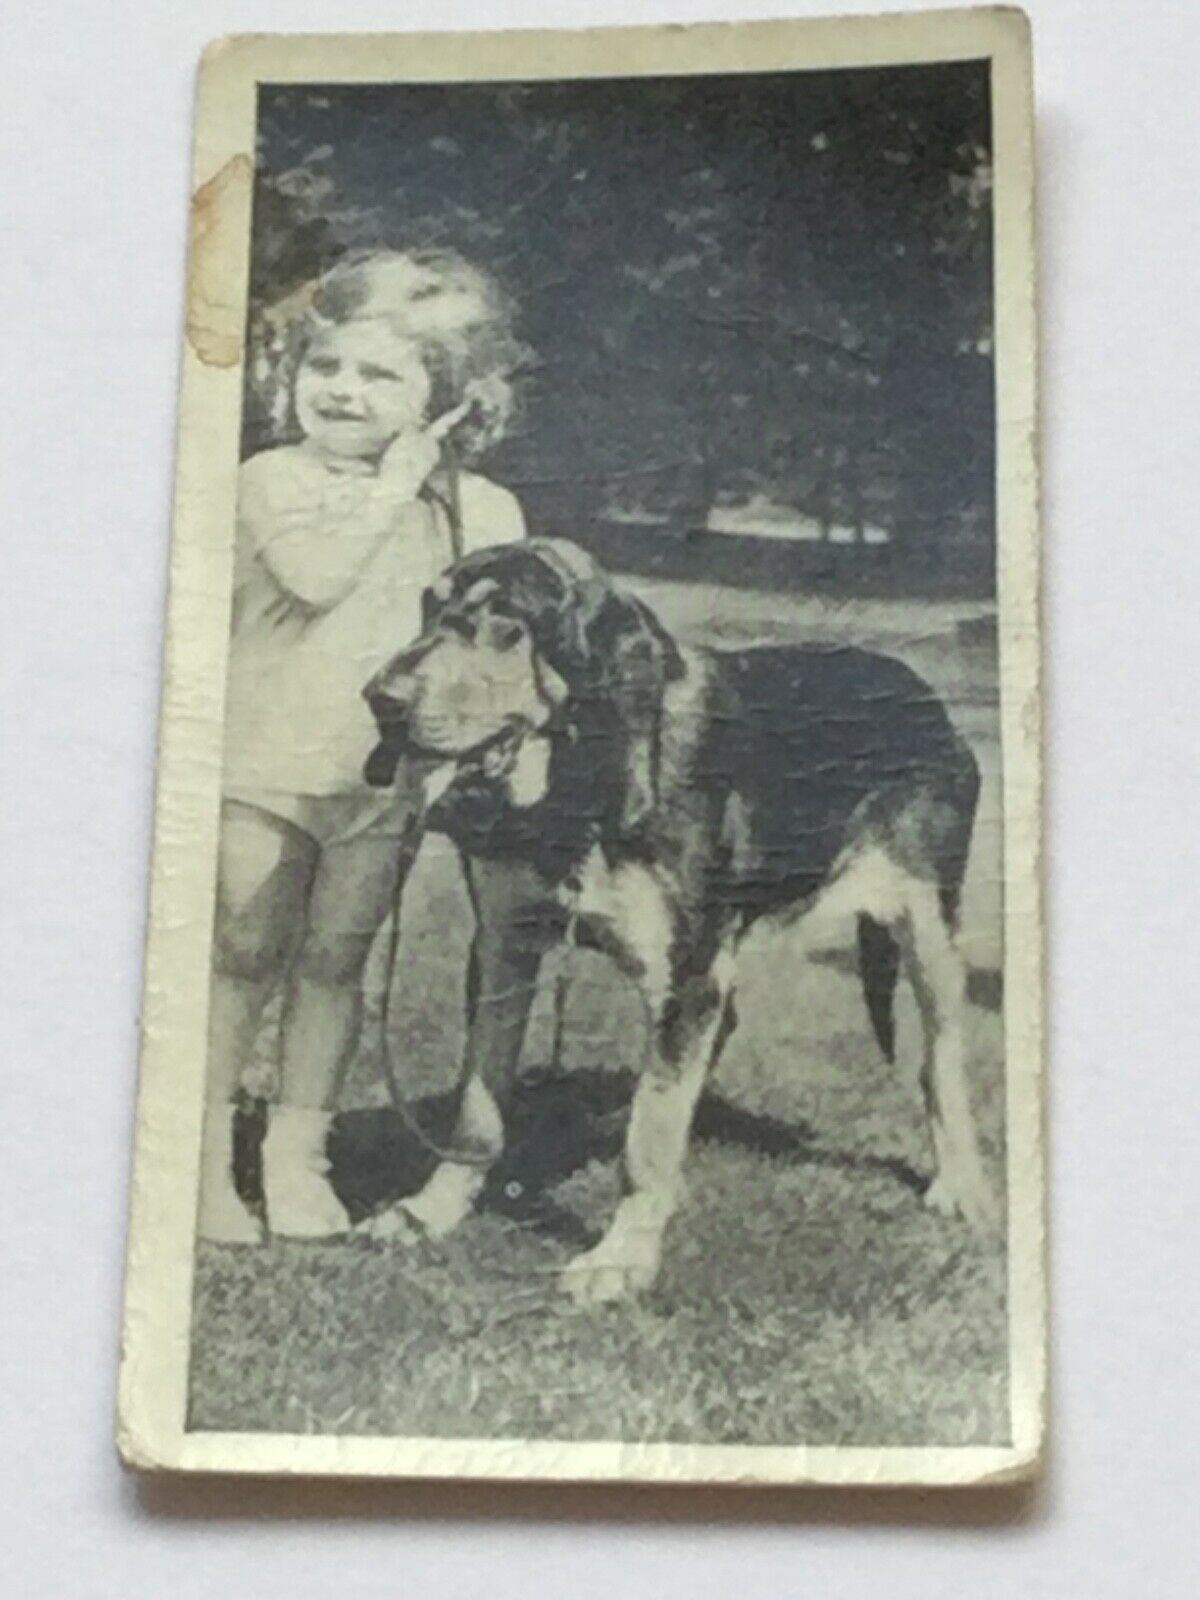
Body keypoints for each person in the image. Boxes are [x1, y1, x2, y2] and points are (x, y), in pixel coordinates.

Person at [199, 249, 528, 1243]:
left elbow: (492, 646)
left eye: (381, 375)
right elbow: (315, 579)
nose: (342, 390)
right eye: (325, 367)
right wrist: (397, 480)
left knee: (336, 965)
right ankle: (206, 1160)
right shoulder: (269, 479)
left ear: (447, 400)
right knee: (244, 952)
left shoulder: (481, 509)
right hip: (263, 766)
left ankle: (296, 1159)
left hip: (379, 782)